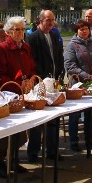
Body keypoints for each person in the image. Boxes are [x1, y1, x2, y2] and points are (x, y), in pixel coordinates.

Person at [0, 17, 34, 175]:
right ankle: (0, 163)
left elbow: (31, 67)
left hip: (23, 95)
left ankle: (14, 160)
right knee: (6, 131)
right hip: (7, 95)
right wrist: (15, 84)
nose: (21, 32)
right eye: (17, 29)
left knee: (21, 130)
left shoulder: (26, 47)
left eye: (22, 29)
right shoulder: (2, 49)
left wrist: (30, 80)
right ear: (8, 32)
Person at [26, 9, 65, 162]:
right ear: (40, 21)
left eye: (52, 20)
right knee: (37, 120)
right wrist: (43, 78)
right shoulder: (33, 37)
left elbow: (59, 56)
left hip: (54, 82)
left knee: (53, 119)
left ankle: (52, 150)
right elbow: (33, 60)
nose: (50, 23)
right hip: (39, 84)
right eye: (47, 20)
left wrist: (60, 74)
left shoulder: (54, 35)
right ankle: (33, 152)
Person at [64, 19, 92, 153]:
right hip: (78, 84)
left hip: (91, 83)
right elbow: (70, 66)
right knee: (75, 114)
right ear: (77, 31)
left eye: (86, 28)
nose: (84, 31)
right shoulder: (72, 46)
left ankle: (88, 139)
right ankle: (74, 141)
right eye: (81, 29)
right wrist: (86, 75)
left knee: (89, 113)